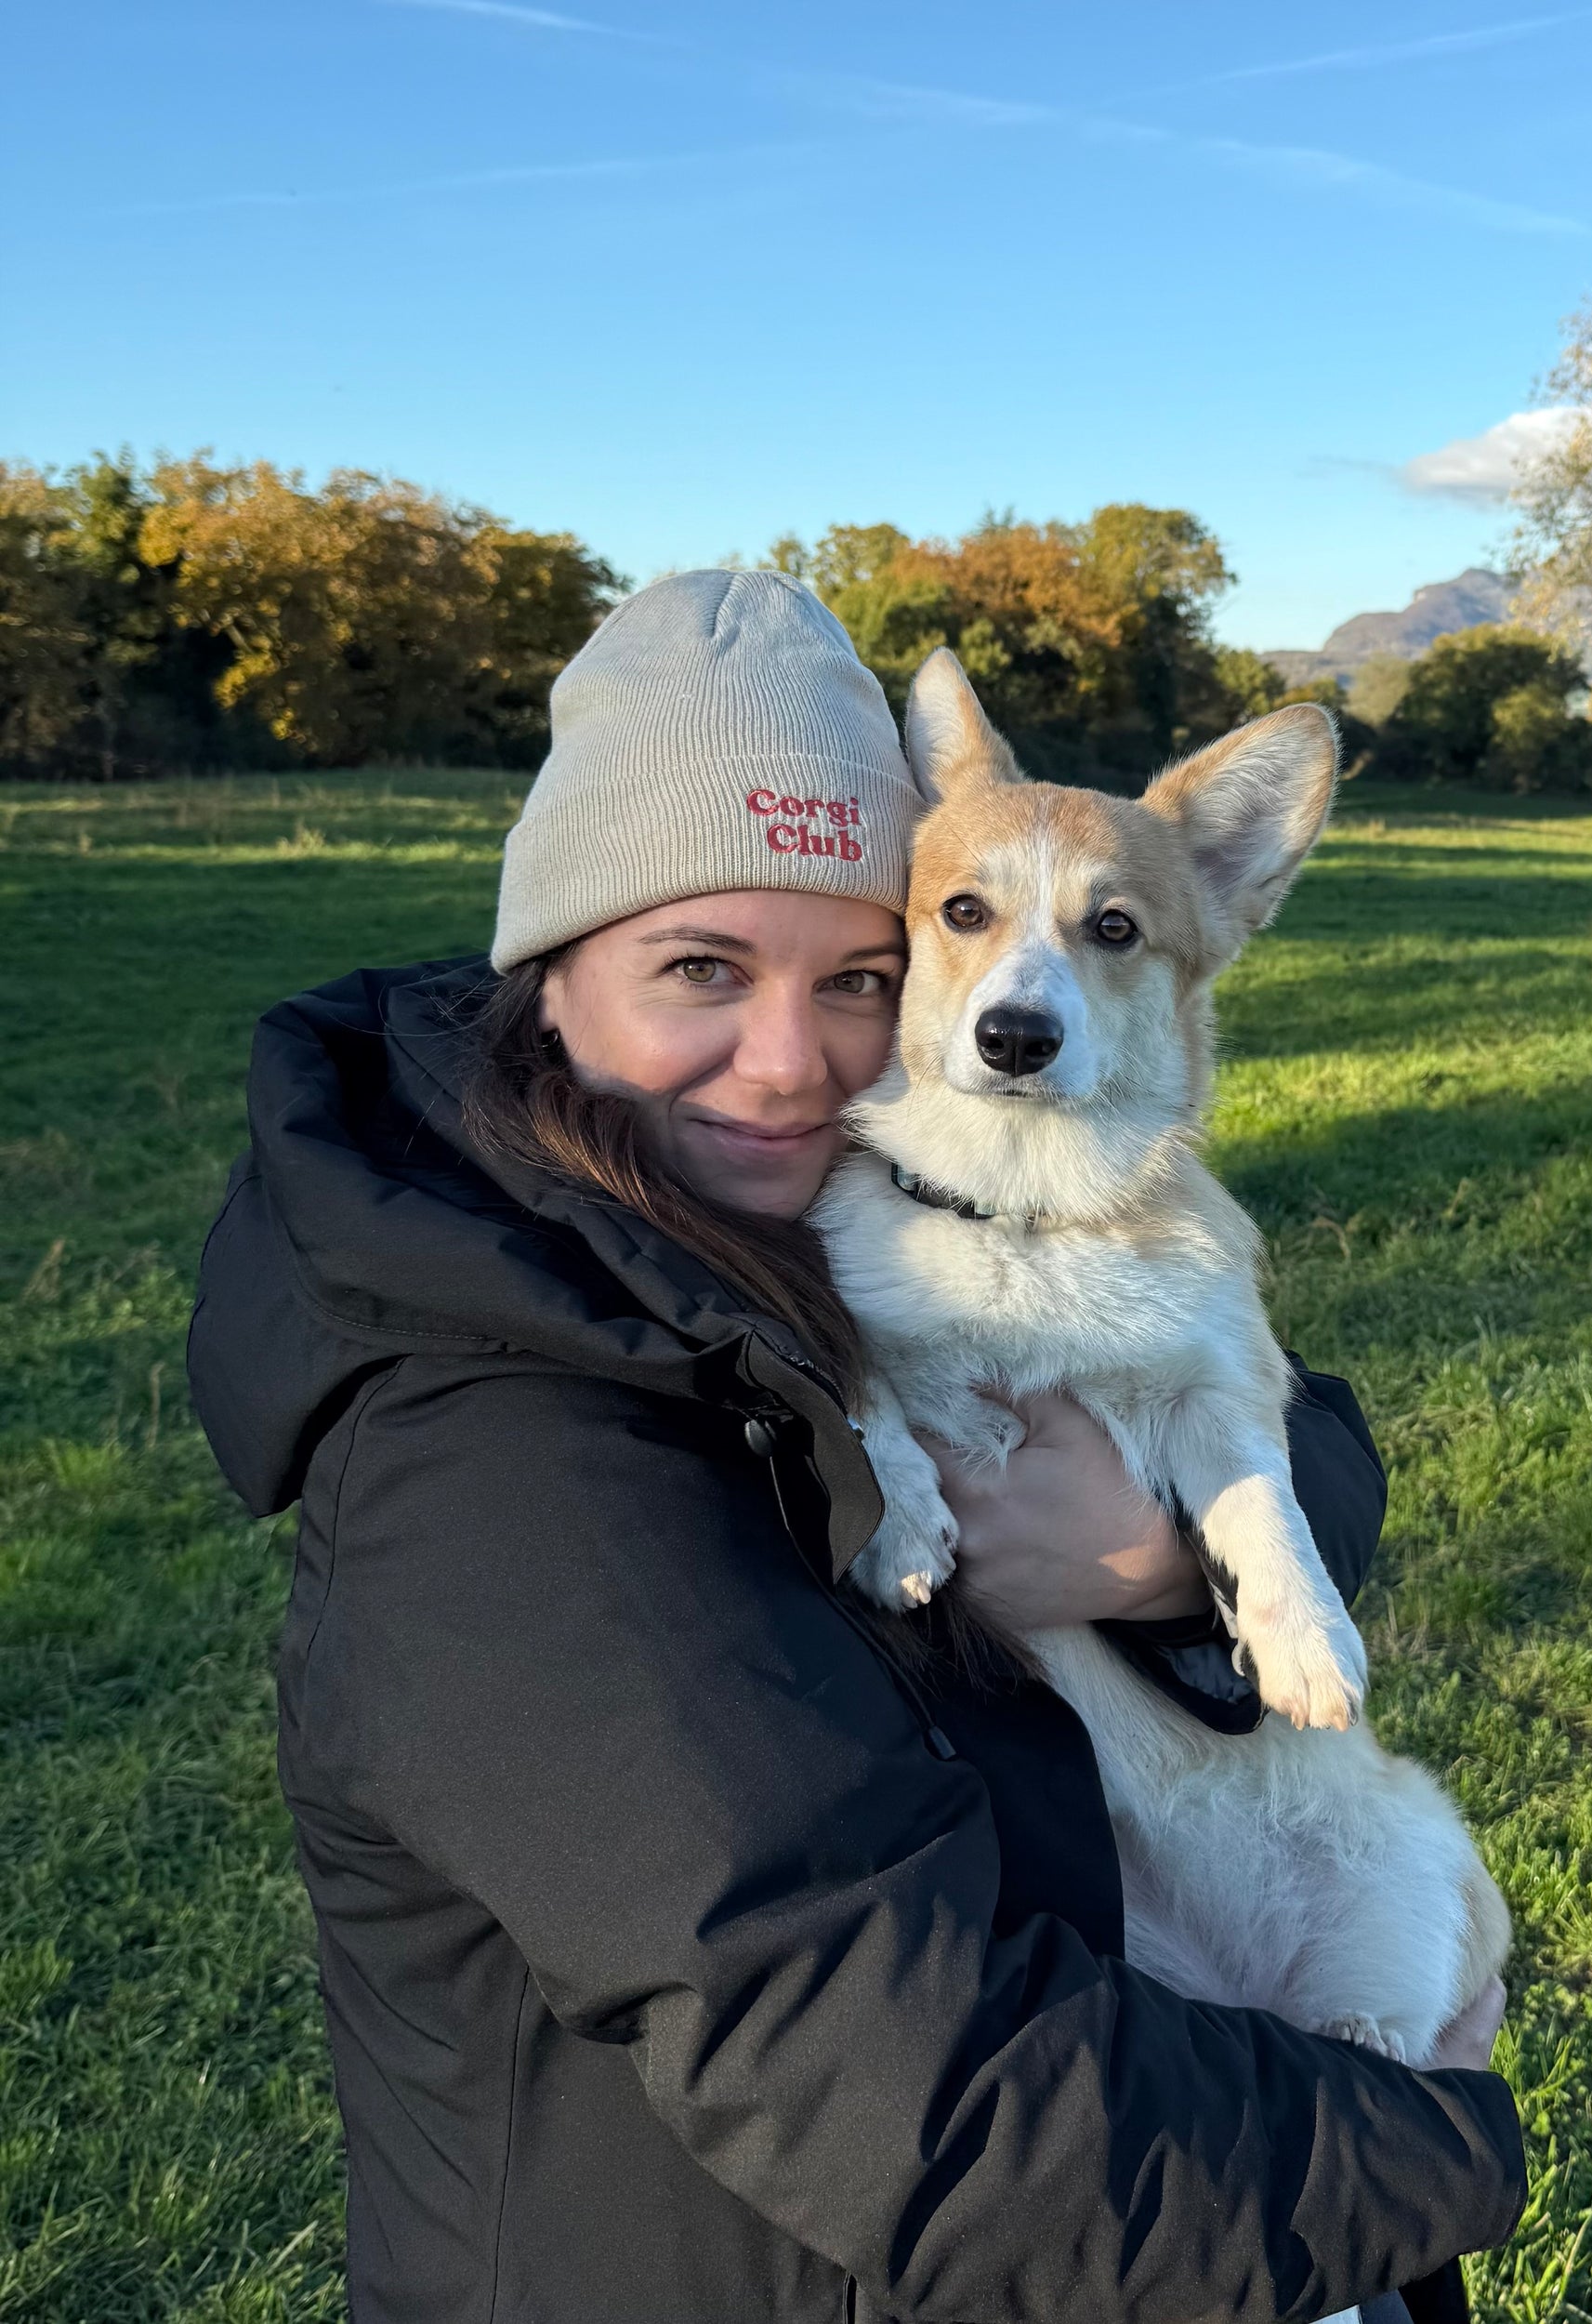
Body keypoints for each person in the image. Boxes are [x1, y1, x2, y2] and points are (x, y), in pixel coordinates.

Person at [188, 571, 1522, 2324]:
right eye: (699, 968)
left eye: (861, 976)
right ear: (551, 969)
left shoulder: (800, 1213)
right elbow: (905, 2091)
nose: (792, 1060)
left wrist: (1157, 1551)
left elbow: (1288, 1415)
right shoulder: (500, 1452)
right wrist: (1440, 2157)